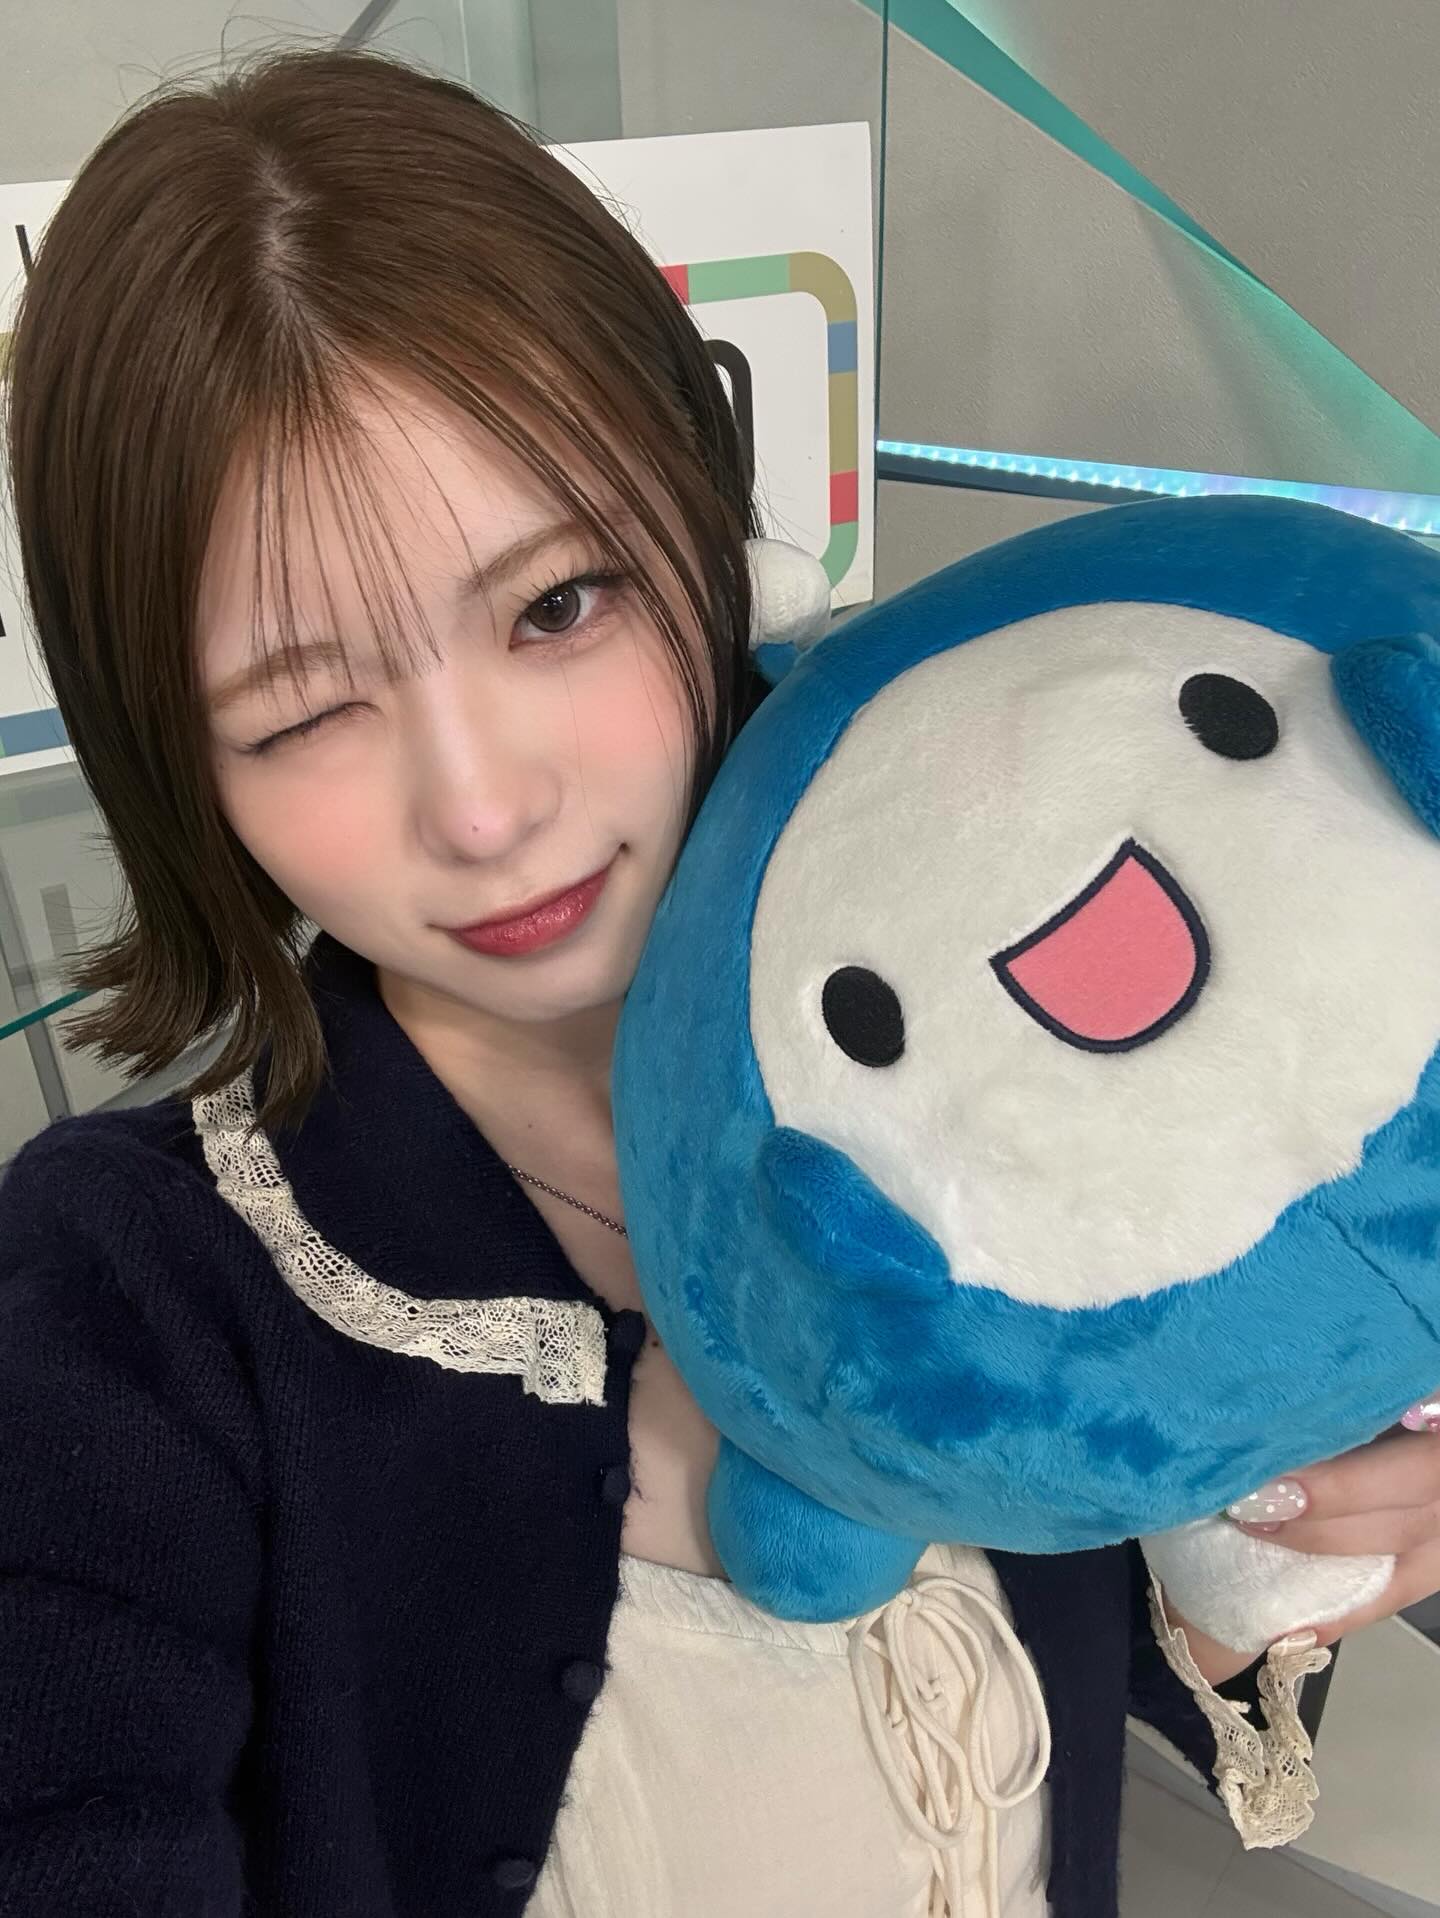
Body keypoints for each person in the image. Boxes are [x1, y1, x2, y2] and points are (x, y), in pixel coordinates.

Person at [2, 46, 1437, 1918]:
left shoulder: (1002, 1018)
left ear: (705, 525)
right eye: (306, 711)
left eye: (558, 606)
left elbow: (1099, 1578)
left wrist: (1267, 1561)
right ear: (177, 764)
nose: (484, 805)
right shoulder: (127, 1309)